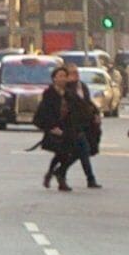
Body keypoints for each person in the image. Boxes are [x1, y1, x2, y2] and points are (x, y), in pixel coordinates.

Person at [35, 64, 89, 192]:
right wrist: (51, 127)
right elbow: (43, 113)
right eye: (60, 76)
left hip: (68, 129)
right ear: (54, 78)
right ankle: (59, 177)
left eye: (65, 76)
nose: (63, 79)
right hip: (54, 129)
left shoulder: (70, 94)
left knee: (70, 153)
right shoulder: (49, 93)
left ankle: (56, 173)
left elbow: (81, 107)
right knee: (61, 153)